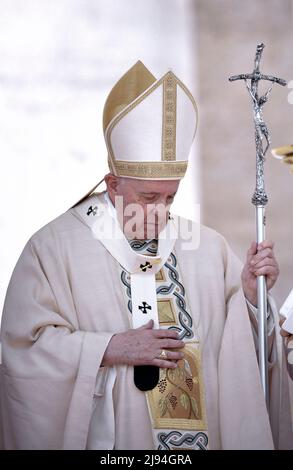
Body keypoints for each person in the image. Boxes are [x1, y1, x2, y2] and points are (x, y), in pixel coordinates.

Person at [0, 61, 292, 450]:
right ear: (113, 183)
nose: (160, 210)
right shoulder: (53, 249)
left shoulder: (208, 248)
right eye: (148, 197)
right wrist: (107, 348)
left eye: (170, 196)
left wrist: (252, 302)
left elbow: (244, 362)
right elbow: (24, 351)